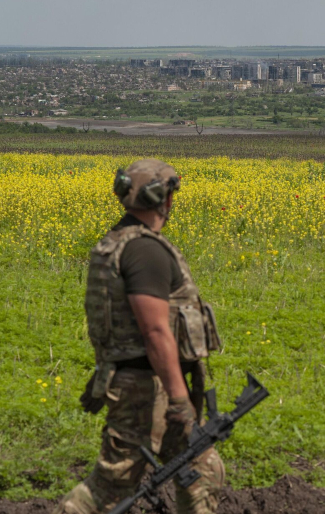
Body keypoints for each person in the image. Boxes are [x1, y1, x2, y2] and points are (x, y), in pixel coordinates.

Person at [55, 159, 223, 514]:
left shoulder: (116, 243)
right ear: (165, 199)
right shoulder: (144, 251)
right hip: (148, 391)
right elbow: (155, 330)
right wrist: (180, 403)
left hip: (143, 382)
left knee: (202, 470)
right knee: (108, 489)